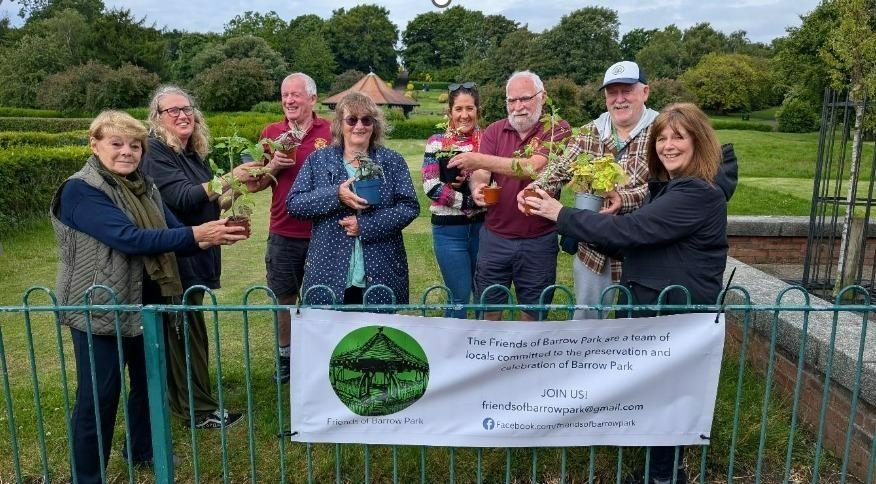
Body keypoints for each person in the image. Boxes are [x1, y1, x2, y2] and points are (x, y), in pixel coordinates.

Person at [522, 103, 731, 484]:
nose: (668, 146)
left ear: (699, 142)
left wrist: (561, 214)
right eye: (662, 138)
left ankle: (664, 477)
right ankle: (660, 472)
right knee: (658, 394)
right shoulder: (668, 189)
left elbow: (633, 231)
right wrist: (585, 232)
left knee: (669, 396)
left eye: (678, 137)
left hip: (676, 314)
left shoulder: (698, 193)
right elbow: (635, 243)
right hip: (655, 310)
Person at [50, 111, 245, 484]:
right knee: (99, 395)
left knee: (148, 383)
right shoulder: (80, 190)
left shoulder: (145, 186)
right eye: (116, 144)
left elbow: (175, 232)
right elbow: (128, 238)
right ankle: (87, 476)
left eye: (135, 145)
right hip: (100, 307)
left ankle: (142, 450)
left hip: (148, 303)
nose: (127, 152)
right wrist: (196, 235)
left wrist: (214, 234)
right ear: (95, 145)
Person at [140, 85, 242, 429]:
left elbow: (207, 200)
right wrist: (230, 178)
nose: (183, 115)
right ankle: (197, 411)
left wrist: (239, 190)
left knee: (191, 330)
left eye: (187, 109)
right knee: (183, 333)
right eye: (173, 111)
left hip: (197, 255)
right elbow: (182, 198)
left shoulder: (189, 152)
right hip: (177, 257)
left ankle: (194, 403)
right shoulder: (155, 151)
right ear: (157, 118)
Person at [532, 60, 655, 319]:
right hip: (595, 247)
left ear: (645, 92)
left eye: (627, 91)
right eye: (612, 93)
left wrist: (624, 198)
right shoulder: (591, 131)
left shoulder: (663, 131)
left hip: (645, 247)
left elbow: (667, 188)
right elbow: (561, 167)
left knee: (639, 322)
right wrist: (535, 188)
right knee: (587, 320)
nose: (619, 99)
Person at [447, 71, 569, 321]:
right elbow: (482, 172)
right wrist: (478, 186)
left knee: (533, 313)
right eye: (511, 100)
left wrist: (479, 159)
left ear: (542, 96)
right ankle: (492, 348)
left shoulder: (556, 129)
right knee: (489, 309)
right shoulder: (495, 130)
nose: (518, 106)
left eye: (525, 98)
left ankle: (526, 348)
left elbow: (533, 167)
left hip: (539, 239)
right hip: (495, 238)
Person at [234, 73, 332, 383]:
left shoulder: (331, 131)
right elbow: (255, 185)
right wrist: (274, 165)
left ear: (312, 99)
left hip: (324, 231)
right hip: (284, 230)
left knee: (322, 298)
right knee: (283, 299)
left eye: (295, 94)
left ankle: (320, 358)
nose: (289, 100)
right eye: (284, 95)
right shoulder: (271, 133)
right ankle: (286, 357)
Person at [286, 92, 419, 306]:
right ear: (340, 124)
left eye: (366, 120)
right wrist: (336, 195)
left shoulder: (391, 161)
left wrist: (365, 225)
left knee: (377, 326)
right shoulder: (319, 160)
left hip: (381, 267)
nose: (359, 126)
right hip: (329, 268)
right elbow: (294, 204)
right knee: (329, 327)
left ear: (374, 125)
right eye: (352, 120)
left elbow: (409, 206)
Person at [421, 82, 485, 318]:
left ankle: (483, 341)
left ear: (478, 110)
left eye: (470, 108)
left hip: (483, 229)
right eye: (458, 109)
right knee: (458, 296)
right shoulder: (437, 142)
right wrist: (470, 201)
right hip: (449, 230)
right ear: (450, 112)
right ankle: (455, 341)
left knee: (484, 296)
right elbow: (431, 186)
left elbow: (498, 180)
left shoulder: (488, 140)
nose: (464, 115)